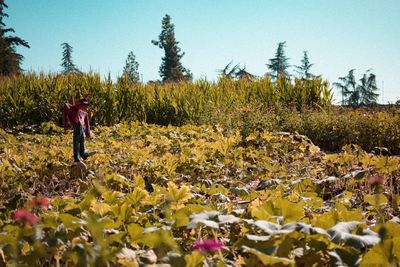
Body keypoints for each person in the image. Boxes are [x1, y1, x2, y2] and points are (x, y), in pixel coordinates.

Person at [63, 94, 94, 162]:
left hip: (81, 128)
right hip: (76, 127)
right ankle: (76, 158)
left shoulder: (83, 113)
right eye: (84, 106)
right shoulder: (73, 109)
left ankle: (83, 155)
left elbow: (87, 124)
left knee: (82, 141)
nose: (86, 108)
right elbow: (66, 105)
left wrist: (88, 133)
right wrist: (66, 125)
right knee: (76, 143)